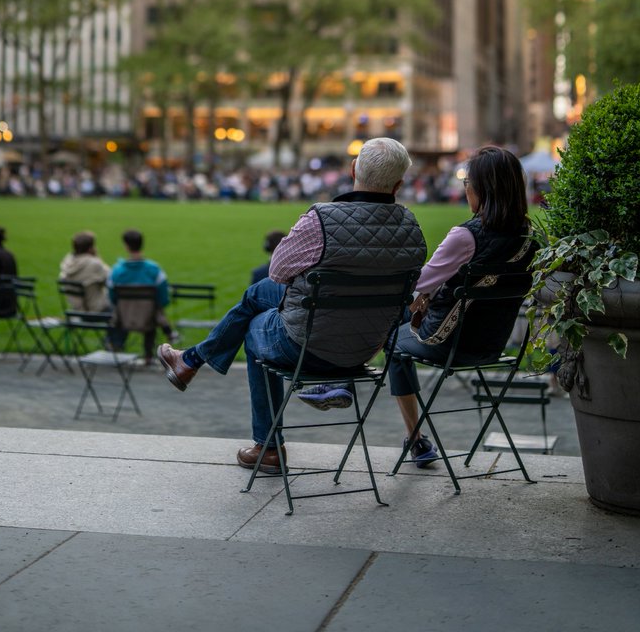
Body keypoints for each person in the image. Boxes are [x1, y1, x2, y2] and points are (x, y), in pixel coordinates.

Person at [157, 138, 427, 475]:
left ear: (353, 169)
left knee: (256, 319)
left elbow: (278, 271)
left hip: (307, 345)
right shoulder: (412, 228)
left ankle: (267, 445)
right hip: (364, 348)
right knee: (259, 295)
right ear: (399, 184)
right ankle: (190, 361)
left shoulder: (321, 220)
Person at [300, 145, 536, 468]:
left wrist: (421, 296)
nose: (465, 189)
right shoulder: (530, 237)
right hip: (493, 345)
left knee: (395, 336)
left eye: (468, 183)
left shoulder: (466, 237)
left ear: (482, 190)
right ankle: (352, 390)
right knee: (399, 322)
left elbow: (412, 286)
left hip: (449, 342)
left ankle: (412, 435)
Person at [109, 229, 176, 362]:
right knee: (154, 311)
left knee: (123, 310)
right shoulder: (154, 270)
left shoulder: (117, 271)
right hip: (148, 319)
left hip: (124, 318)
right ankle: (148, 354)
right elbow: (163, 298)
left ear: (126, 246)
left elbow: (112, 297)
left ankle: (117, 347)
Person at [58, 231, 110, 312]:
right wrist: (97, 257)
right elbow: (111, 278)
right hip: (96, 310)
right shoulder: (94, 264)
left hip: (77, 310)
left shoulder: (67, 262)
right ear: (90, 249)